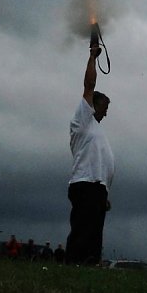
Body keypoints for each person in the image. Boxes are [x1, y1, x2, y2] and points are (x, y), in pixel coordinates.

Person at [65, 44, 115, 265]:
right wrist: (93, 57)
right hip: (84, 184)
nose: (106, 111)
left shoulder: (96, 128)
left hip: (97, 187)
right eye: (104, 106)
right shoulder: (83, 119)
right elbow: (89, 85)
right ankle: (74, 264)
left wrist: (105, 191)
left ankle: (89, 265)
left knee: (95, 234)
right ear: (93, 105)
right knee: (82, 229)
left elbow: (102, 161)